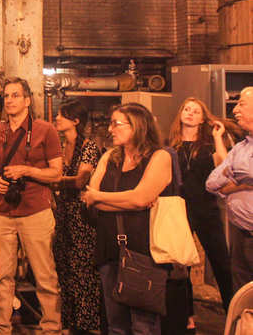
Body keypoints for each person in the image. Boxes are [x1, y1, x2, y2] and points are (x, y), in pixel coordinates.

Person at [82, 103, 173, 335]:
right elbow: (88, 198)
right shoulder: (110, 157)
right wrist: (126, 200)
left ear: (137, 126)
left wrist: (101, 198)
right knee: (116, 326)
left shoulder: (159, 157)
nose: (110, 129)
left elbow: (139, 199)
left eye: (116, 123)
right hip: (109, 249)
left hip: (142, 252)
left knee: (143, 326)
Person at [0, 77, 62, 335]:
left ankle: (51, 328)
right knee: (1, 277)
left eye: (15, 95)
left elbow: (56, 173)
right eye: (6, 96)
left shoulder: (46, 130)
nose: (9, 100)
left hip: (36, 211)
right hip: (3, 211)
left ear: (27, 100)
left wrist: (27, 170)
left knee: (45, 276)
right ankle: (0, 327)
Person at [169, 97, 234, 331]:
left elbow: (225, 166)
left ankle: (234, 314)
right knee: (181, 266)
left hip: (206, 209)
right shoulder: (172, 145)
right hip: (180, 211)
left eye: (195, 111)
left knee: (222, 263)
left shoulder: (207, 146)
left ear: (202, 118)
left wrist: (218, 137)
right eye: (186, 109)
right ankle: (187, 316)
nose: (190, 114)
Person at [52, 99, 101, 335]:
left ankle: (86, 325)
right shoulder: (61, 146)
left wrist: (53, 179)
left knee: (83, 270)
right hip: (62, 213)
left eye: (61, 115)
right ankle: (69, 322)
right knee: (64, 267)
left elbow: (81, 180)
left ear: (76, 120)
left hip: (82, 216)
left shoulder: (89, 147)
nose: (57, 119)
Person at [206, 86, 253, 294]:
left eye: (241, 104)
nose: (235, 110)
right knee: (243, 297)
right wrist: (241, 181)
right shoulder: (242, 147)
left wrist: (232, 176)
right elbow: (212, 183)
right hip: (239, 234)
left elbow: (247, 171)